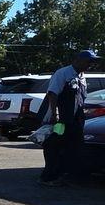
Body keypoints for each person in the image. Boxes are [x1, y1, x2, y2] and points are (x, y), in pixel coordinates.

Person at [40, 49, 100, 185]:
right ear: (77, 60)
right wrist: (54, 114)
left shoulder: (82, 76)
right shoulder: (63, 73)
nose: (90, 65)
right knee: (54, 147)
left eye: (92, 62)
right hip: (61, 120)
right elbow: (53, 94)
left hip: (76, 120)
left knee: (74, 148)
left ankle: (67, 176)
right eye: (88, 62)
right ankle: (48, 177)